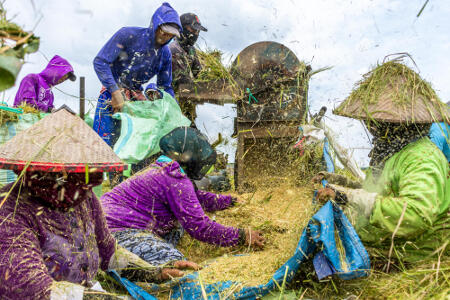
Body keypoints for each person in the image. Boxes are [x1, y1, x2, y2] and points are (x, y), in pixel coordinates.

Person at [0, 109, 196, 300]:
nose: (84, 191)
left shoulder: (83, 197)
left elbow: (109, 251)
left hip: (84, 290)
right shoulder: (10, 211)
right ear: (45, 175)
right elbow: (34, 290)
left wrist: (155, 272)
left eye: (87, 183)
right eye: (74, 181)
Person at [314, 61, 449, 264]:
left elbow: (415, 215)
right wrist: (337, 182)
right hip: (383, 242)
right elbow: (378, 190)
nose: (370, 126)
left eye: (374, 121)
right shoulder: (392, 151)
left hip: (411, 256)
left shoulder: (422, 158)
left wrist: (347, 196)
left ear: (390, 124)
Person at [101, 126, 264, 266]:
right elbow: (199, 227)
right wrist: (242, 236)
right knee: (174, 262)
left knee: (177, 226)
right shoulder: (174, 178)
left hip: (104, 227)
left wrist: (229, 200)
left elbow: (193, 198)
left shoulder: (162, 169)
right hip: (115, 234)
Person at [92, 2, 182, 147]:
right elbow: (100, 62)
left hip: (136, 102)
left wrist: (176, 113)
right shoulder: (128, 35)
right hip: (111, 95)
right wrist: (115, 92)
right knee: (103, 145)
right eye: (164, 31)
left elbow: (165, 87)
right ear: (155, 25)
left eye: (170, 35)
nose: (166, 37)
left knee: (132, 147)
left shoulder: (165, 54)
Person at [167, 13, 208, 122]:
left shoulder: (190, 50)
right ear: (182, 29)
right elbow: (184, 84)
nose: (196, 34)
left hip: (188, 108)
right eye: (193, 30)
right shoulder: (173, 50)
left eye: (198, 31)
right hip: (175, 108)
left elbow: (199, 74)